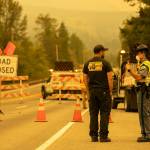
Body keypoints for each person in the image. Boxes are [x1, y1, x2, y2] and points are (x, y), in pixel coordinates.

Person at [83, 44, 113, 142]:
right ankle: (103, 136)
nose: (104, 53)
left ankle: (94, 136)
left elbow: (85, 78)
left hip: (92, 91)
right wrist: (110, 91)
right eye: (103, 51)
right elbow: (110, 78)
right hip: (104, 91)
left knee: (93, 114)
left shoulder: (87, 63)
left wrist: (88, 91)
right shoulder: (105, 63)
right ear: (100, 52)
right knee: (104, 113)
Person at [126, 44, 150, 142]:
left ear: (142, 53)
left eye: (138, 53)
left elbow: (140, 77)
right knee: (141, 112)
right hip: (142, 89)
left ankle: (147, 135)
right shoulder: (142, 64)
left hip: (145, 90)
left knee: (144, 113)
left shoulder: (145, 64)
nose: (137, 55)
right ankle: (144, 133)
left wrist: (129, 71)